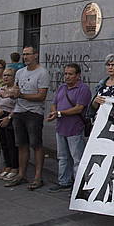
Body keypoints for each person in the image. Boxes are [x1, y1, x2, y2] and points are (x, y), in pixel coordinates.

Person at [3, 46, 50, 190]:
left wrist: (20, 95)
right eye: (23, 55)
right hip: (19, 111)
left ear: (35, 55)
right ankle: (21, 175)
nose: (25, 57)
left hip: (34, 113)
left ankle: (37, 177)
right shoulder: (20, 72)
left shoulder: (42, 73)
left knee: (36, 145)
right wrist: (9, 93)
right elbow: (16, 89)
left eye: (28, 54)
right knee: (21, 145)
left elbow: (41, 96)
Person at [47, 63, 91, 193]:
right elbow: (54, 103)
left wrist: (60, 113)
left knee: (77, 158)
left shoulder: (83, 89)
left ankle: (79, 185)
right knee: (62, 157)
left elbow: (79, 108)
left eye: (70, 74)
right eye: (65, 73)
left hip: (75, 128)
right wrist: (54, 113)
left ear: (78, 75)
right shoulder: (62, 88)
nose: (67, 76)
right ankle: (64, 181)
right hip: (61, 127)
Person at [0, 68, 18, 181]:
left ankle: (15, 167)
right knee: (4, 143)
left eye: (9, 75)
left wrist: (9, 117)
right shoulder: (1, 89)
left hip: (10, 117)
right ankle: (8, 166)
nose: (6, 77)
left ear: (14, 77)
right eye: (4, 75)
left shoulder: (15, 90)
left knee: (12, 144)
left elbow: (18, 106)